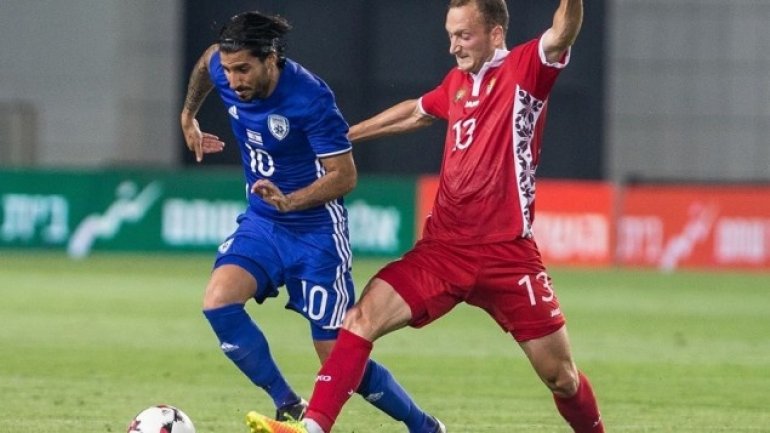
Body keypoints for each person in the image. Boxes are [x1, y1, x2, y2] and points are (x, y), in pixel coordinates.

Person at [246, 0, 604, 432]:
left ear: (494, 34)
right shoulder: (457, 83)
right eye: (450, 35)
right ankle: (313, 427)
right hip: (444, 250)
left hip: (508, 255)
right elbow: (416, 110)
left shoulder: (527, 68)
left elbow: (563, 30)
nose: (453, 46)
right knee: (360, 320)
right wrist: (342, 137)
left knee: (560, 377)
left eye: (464, 35)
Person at [179, 11, 444, 433]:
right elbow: (208, 59)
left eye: (243, 69)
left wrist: (291, 201)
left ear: (271, 59)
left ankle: (425, 427)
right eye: (228, 71)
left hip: (316, 232)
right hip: (263, 223)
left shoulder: (310, 98)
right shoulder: (223, 67)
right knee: (218, 302)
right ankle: (287, 404)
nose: (233, 80)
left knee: (336, 353)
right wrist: (188, 115)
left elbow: (345, 176)